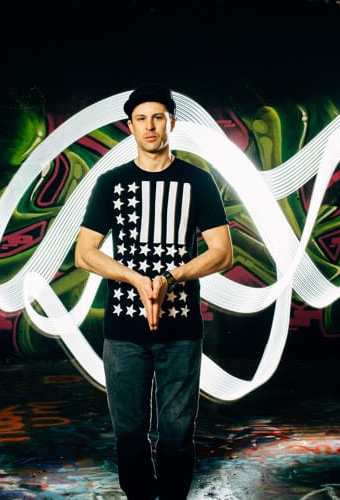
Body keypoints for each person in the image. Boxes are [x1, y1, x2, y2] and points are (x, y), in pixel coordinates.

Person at [75, 83, 233, 499]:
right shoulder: (112, 183)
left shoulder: (197, 181)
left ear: (171, 123)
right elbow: (84, 253)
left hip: (181, 330)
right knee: (129, 433)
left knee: (178, 434)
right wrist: (134, 278)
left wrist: (171, 278)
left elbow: (223, 252)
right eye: (141, 119)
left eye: (158, 117)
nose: (150, 126)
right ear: (130, 127)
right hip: (123, 331)